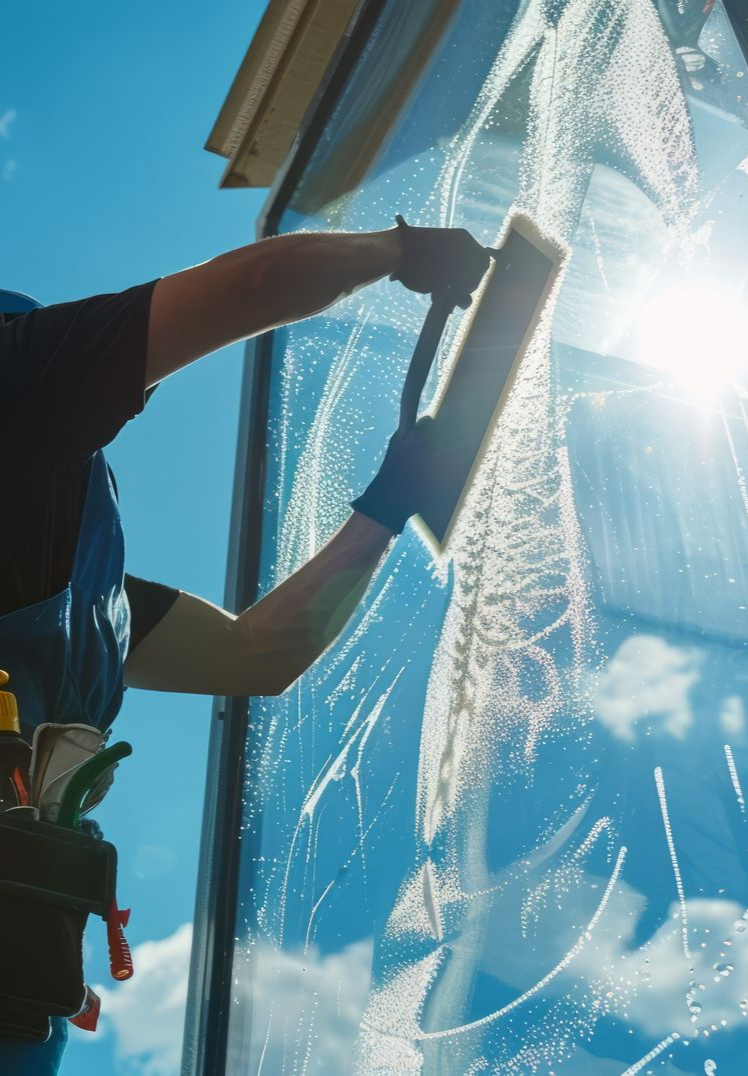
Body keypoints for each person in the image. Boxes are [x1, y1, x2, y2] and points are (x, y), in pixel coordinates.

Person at [0, 217, 490, 1073]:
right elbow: (257, 286)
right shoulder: (17, 376)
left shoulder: (88, 600)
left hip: (21, 971)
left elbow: (254, 657)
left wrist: (384, 507)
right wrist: (401, 251)